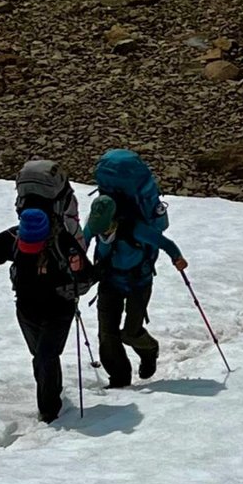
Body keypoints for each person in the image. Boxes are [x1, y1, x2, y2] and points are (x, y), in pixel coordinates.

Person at [0, 162, 93, 423]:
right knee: (40, 357)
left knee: (47, 355)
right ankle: (50, 398)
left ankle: (49, 411)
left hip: (59, 308)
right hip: (28, 309)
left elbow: (90, 276)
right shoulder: (21, 238)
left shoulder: (55, 240)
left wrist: (79, 269)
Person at [85, 150, 187, 388]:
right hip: (109, 280)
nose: (102, 233)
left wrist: (177, 259)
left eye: (105, 229)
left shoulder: (136, 228)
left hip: (138, 283)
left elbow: (165, 243)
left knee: (130, 332)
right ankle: (119, 380)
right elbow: (82, 240)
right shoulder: (96, 222)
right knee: (107, 335)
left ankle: (149, 350)